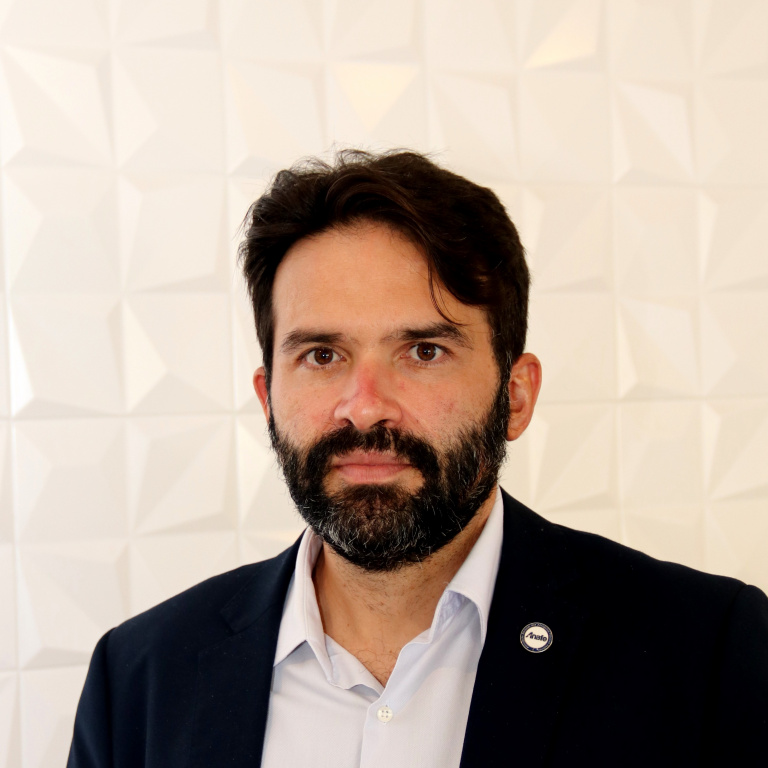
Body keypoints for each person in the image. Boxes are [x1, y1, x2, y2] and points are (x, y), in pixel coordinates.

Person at [68, 150, 768, 767]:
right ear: (268, 398)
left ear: (516, 395)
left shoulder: (710, 655)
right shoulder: (139, 680)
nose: (364, 407)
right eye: (322, 355)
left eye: (423, 352)